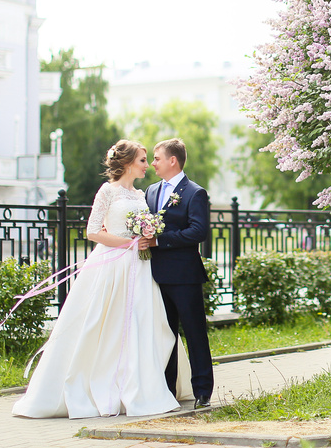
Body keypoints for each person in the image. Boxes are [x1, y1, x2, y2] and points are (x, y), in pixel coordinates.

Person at [12, 140, 190, 419]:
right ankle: (99, 386)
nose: (148, 165)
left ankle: (139, 386)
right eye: (143, 160)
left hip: (140, 267)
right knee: (103, 323)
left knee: (142, 323)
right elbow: (93, 231)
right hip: (112, 265)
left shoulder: (141, 195)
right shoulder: (107, 191)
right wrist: (127, 243)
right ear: (129, 163)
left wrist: (144, 239)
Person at [144, 138, 215, 409]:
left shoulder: (195, 193)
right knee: (164, 334)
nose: (153, 163)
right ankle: (167, 390)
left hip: (185, 276)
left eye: (157, 158)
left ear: (173, 160)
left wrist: (160, 241)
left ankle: (202, 391)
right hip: (154, 275)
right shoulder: (150, 191)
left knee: (195, 333)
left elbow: (198, 231)